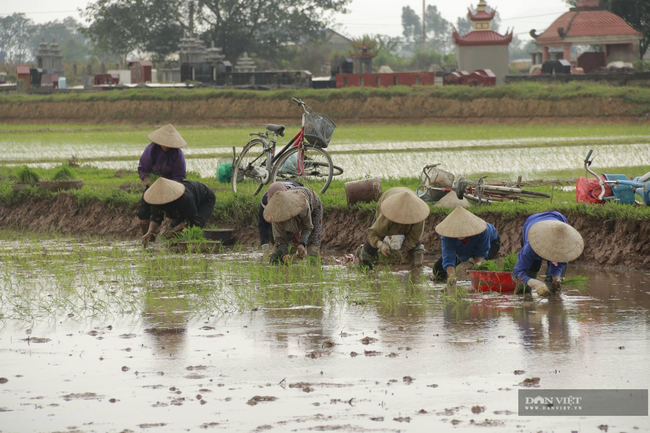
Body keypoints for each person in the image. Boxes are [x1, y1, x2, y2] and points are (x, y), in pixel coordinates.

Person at [511, 211, 584, 297]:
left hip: (558, 218)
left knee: (555, 288)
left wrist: (556, 278)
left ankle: (554, 299)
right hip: (532, 221)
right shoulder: (531, 247)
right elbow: (517, 272)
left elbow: (559, 265)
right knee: (529, 276)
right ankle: (526, 295)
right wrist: (533, 282)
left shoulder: (563, 247)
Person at [358, 187, 430, 268]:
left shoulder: (418, 216)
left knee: (417, 254)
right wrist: (381, 245)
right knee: (367, 255)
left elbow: (414, 238)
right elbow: (373, 234)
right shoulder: (387, 214)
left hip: (410, 199)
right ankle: (363, 260)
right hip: (390, 198)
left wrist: (402, 250)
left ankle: (415, 274)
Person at [137, 124, 187, 240]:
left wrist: (168, 187)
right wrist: (151, 183)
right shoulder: (151, 150)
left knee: (171, 213)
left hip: (171, 186)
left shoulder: (177, 154)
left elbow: (179, 176)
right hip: (153, 184)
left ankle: (171, 237)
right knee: (143, 213)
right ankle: (149, 238)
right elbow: (143, 170)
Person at [433, 207, 501, 286]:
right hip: (461, 246)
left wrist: (478, 265)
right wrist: (451, 275)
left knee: (483, 267)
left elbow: (482, 251)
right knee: (438, 270)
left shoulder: (483, 231)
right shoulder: (447, 236)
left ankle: (485, 285)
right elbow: (448, 256)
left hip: (491, 242)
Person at [141, 177, 216, 244]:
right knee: (174, 229)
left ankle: (206, 243)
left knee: (195, 225)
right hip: (185, 202)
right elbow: (155, 218)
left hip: (205, 199)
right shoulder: (157, 200)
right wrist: (149, 233)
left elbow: (190, 219)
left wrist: (174, 230)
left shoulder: (184, 198)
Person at [263, 186, 323, 264]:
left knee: (313, 249)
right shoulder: (276, 216)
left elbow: (308, 226)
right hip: (294, 218)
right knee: (276, 258)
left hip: (313, 204)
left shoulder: (303, 205)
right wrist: (285, 254)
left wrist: (302, 243)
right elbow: (280, 239)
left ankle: (314, 266)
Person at [258, 180, 302, 248]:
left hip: (295, 190)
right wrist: (265, 246)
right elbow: (262, 225)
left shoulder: (295, 198)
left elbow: (304, 220)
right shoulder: (264, 202)